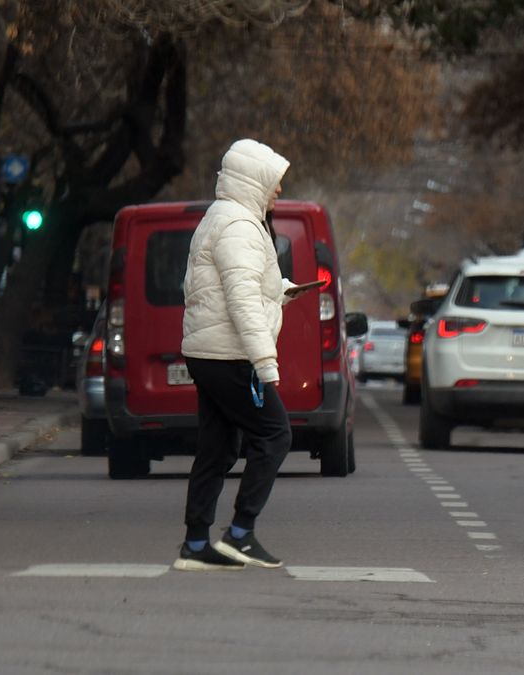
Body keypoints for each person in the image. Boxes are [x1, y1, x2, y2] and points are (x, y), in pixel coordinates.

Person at [174, 139, 316, 571]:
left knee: (217, 448)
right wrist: (265, 362)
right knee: (275, 435)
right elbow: (240, 302)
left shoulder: (223, 218)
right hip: (228, 355)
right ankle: (241, 533)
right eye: (274, 183)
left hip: (208, 351)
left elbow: (228, 289)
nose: (278, 191)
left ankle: (196, 544)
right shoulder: (239, 225)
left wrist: (279, 292)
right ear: (254, 181)